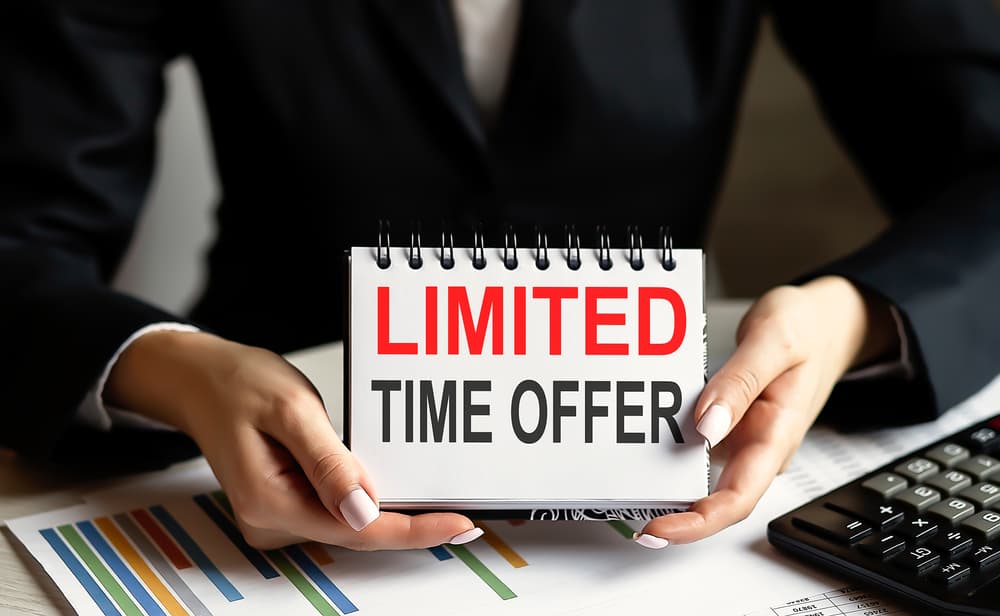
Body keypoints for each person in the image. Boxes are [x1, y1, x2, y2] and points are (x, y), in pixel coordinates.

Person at [2, 1, 1000, 552]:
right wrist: (167, 368)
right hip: (265, 433)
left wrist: (853, 316)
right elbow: (20, 230)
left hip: (657, 437)